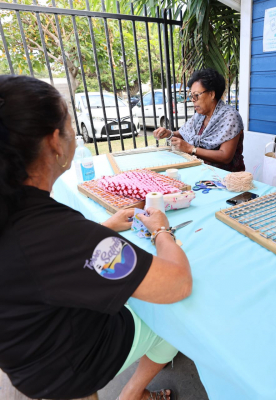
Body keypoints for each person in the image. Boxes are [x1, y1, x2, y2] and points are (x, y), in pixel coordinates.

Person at [0, 75, 192, 400]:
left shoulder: (18, 211)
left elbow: (51, 259)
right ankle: (132, 394)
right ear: (54, 140)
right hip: (63, 364)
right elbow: (177, 283)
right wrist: (161, 230)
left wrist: (103, 228)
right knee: (176, 322)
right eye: (70, 123)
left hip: (26, 354)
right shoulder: (58, 232)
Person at [153, 68, 245, 172]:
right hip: (202, 172)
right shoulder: (200, 116)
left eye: (196, 95)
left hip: (227, 179)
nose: (193, 100)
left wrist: (191, 149)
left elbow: (225, 156)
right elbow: (182, 134)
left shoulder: (230, 117)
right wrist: (168, 133)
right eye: (191, 96)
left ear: (211, 94)